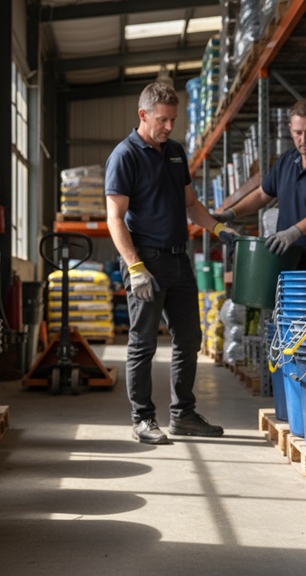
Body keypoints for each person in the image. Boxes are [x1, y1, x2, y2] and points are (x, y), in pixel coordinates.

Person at [105, 82, 238, 445]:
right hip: (146, 261)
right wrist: (134, 267)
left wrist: (218, 227)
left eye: (173, 120)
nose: (168, 126)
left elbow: (190, 205)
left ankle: (183, 415)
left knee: (189, 338)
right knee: (143, 342)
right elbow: (115, 218)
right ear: (142, 115)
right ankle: (143, 418)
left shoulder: (175, 152)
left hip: (180, 262)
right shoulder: (125, 156)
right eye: (162, 120)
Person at [215, 98, 306, 270]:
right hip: (286, 256)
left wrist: (293, 233)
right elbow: (262, 194)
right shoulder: (286, 160)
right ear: (290, 129)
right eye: (298, 133)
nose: (303, 139)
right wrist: (231, 213)